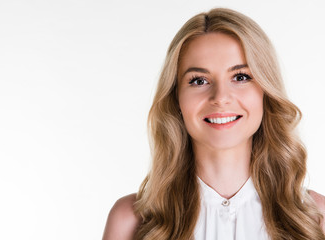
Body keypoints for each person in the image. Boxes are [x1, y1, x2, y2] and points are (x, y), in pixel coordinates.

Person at [102, 8, 325, 240]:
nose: (220, 97)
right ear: (176, 97)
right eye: (199, 80)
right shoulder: (129, 221)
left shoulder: (315, 218)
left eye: (240, 77)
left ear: (266, 92)